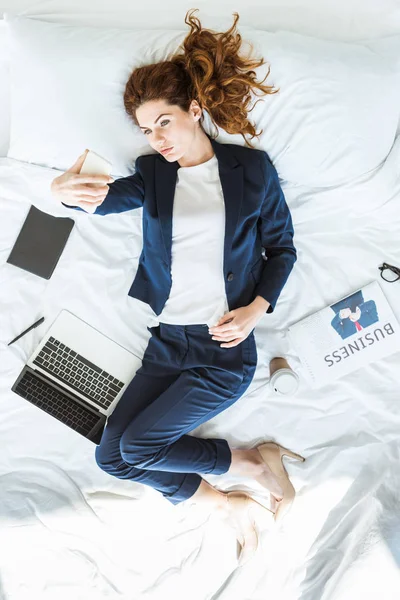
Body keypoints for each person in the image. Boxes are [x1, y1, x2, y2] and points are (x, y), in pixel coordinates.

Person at [50, 9, 305, 563]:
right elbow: (110, 197)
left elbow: (283, 248)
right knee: (110, 458)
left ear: (194, 111)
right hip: (166, 343)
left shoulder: (252, 171)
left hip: (222, 351)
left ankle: (251, 467)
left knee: (137, 447)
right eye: (145, 129)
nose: (156, 138)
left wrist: (257, 309)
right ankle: (227, 499)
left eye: (163, 121)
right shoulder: (153, 174)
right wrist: (68, 191)